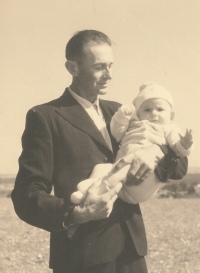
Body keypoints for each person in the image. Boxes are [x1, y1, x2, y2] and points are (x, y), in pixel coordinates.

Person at [11, 30, 188, 273]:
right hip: (80, 256)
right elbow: (26, 195)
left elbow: (178, 168)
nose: (109, 75)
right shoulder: (44, 117)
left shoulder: (121, 112)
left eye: (111, 66)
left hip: (131, 252)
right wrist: (75, 213)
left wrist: (155, 153)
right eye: (99, 67)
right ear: (72, 67)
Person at [71, 82, 193, 205]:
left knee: (121, 170)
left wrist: (184, 144)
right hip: (120, 178)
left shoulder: (169, 129)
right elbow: (116, 133)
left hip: (143, 178)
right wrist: (122, 117)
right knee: (102, 168)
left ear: (171, 115)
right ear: (138, 113)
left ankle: (95, 194)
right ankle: (87, 189)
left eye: (160, 109)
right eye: (147, 109)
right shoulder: (132, 123)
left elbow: (179, 153)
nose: (154, 113)